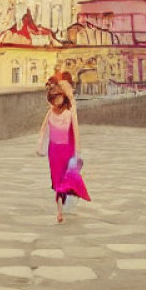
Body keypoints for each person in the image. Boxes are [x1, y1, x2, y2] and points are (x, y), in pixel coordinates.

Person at [36, 73, 91, 223]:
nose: (56, 101)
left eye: (58, 97)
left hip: (67, 150)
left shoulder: (68, 112)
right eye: (53, 99)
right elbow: (44, 130)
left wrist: (77, 151)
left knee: (66, 180)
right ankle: (60, 211)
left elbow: (75, 130)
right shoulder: (50, 113)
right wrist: (40, 147)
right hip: (54, 151)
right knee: (57, 181)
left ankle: (64, 203)